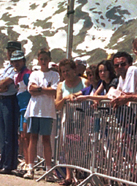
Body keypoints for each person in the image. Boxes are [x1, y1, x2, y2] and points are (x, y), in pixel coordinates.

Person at [24, 48, 60, 180]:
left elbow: (54, 91)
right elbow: (31, 89)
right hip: (34, 109)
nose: (43, 61)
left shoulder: (54, 75)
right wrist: (44, 89)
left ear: (49, 60)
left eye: (45, 59)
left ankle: (48, 170)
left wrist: (39, 89)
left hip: (47, 111)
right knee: (33, 138)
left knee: (46, 139)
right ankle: (30, 167)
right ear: (38, 60)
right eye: (41, 59)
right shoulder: (34, 74)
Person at [0, 41, 22, 175]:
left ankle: (9, 164)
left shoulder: (16, 68)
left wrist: (0, 86)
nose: (9, 53)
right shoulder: (7, 68)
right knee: (3, 134)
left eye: (12, 50)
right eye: (8, 50)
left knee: (9, 133)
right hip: (3, 99)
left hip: (11, 100)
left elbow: (6, 82)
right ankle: (3, 162)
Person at [55, 58, 85, 186]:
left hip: (83, 116)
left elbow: (89, 93)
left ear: (74, 70)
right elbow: (57, 104)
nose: (65, 74)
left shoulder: (84, 82)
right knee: (67, 145)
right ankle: (68, 175)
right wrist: (66, 98)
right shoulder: (61, 85)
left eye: (67, 71)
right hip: (67, 117)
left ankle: (81, 173)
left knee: (82, 145)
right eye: (63, 72)